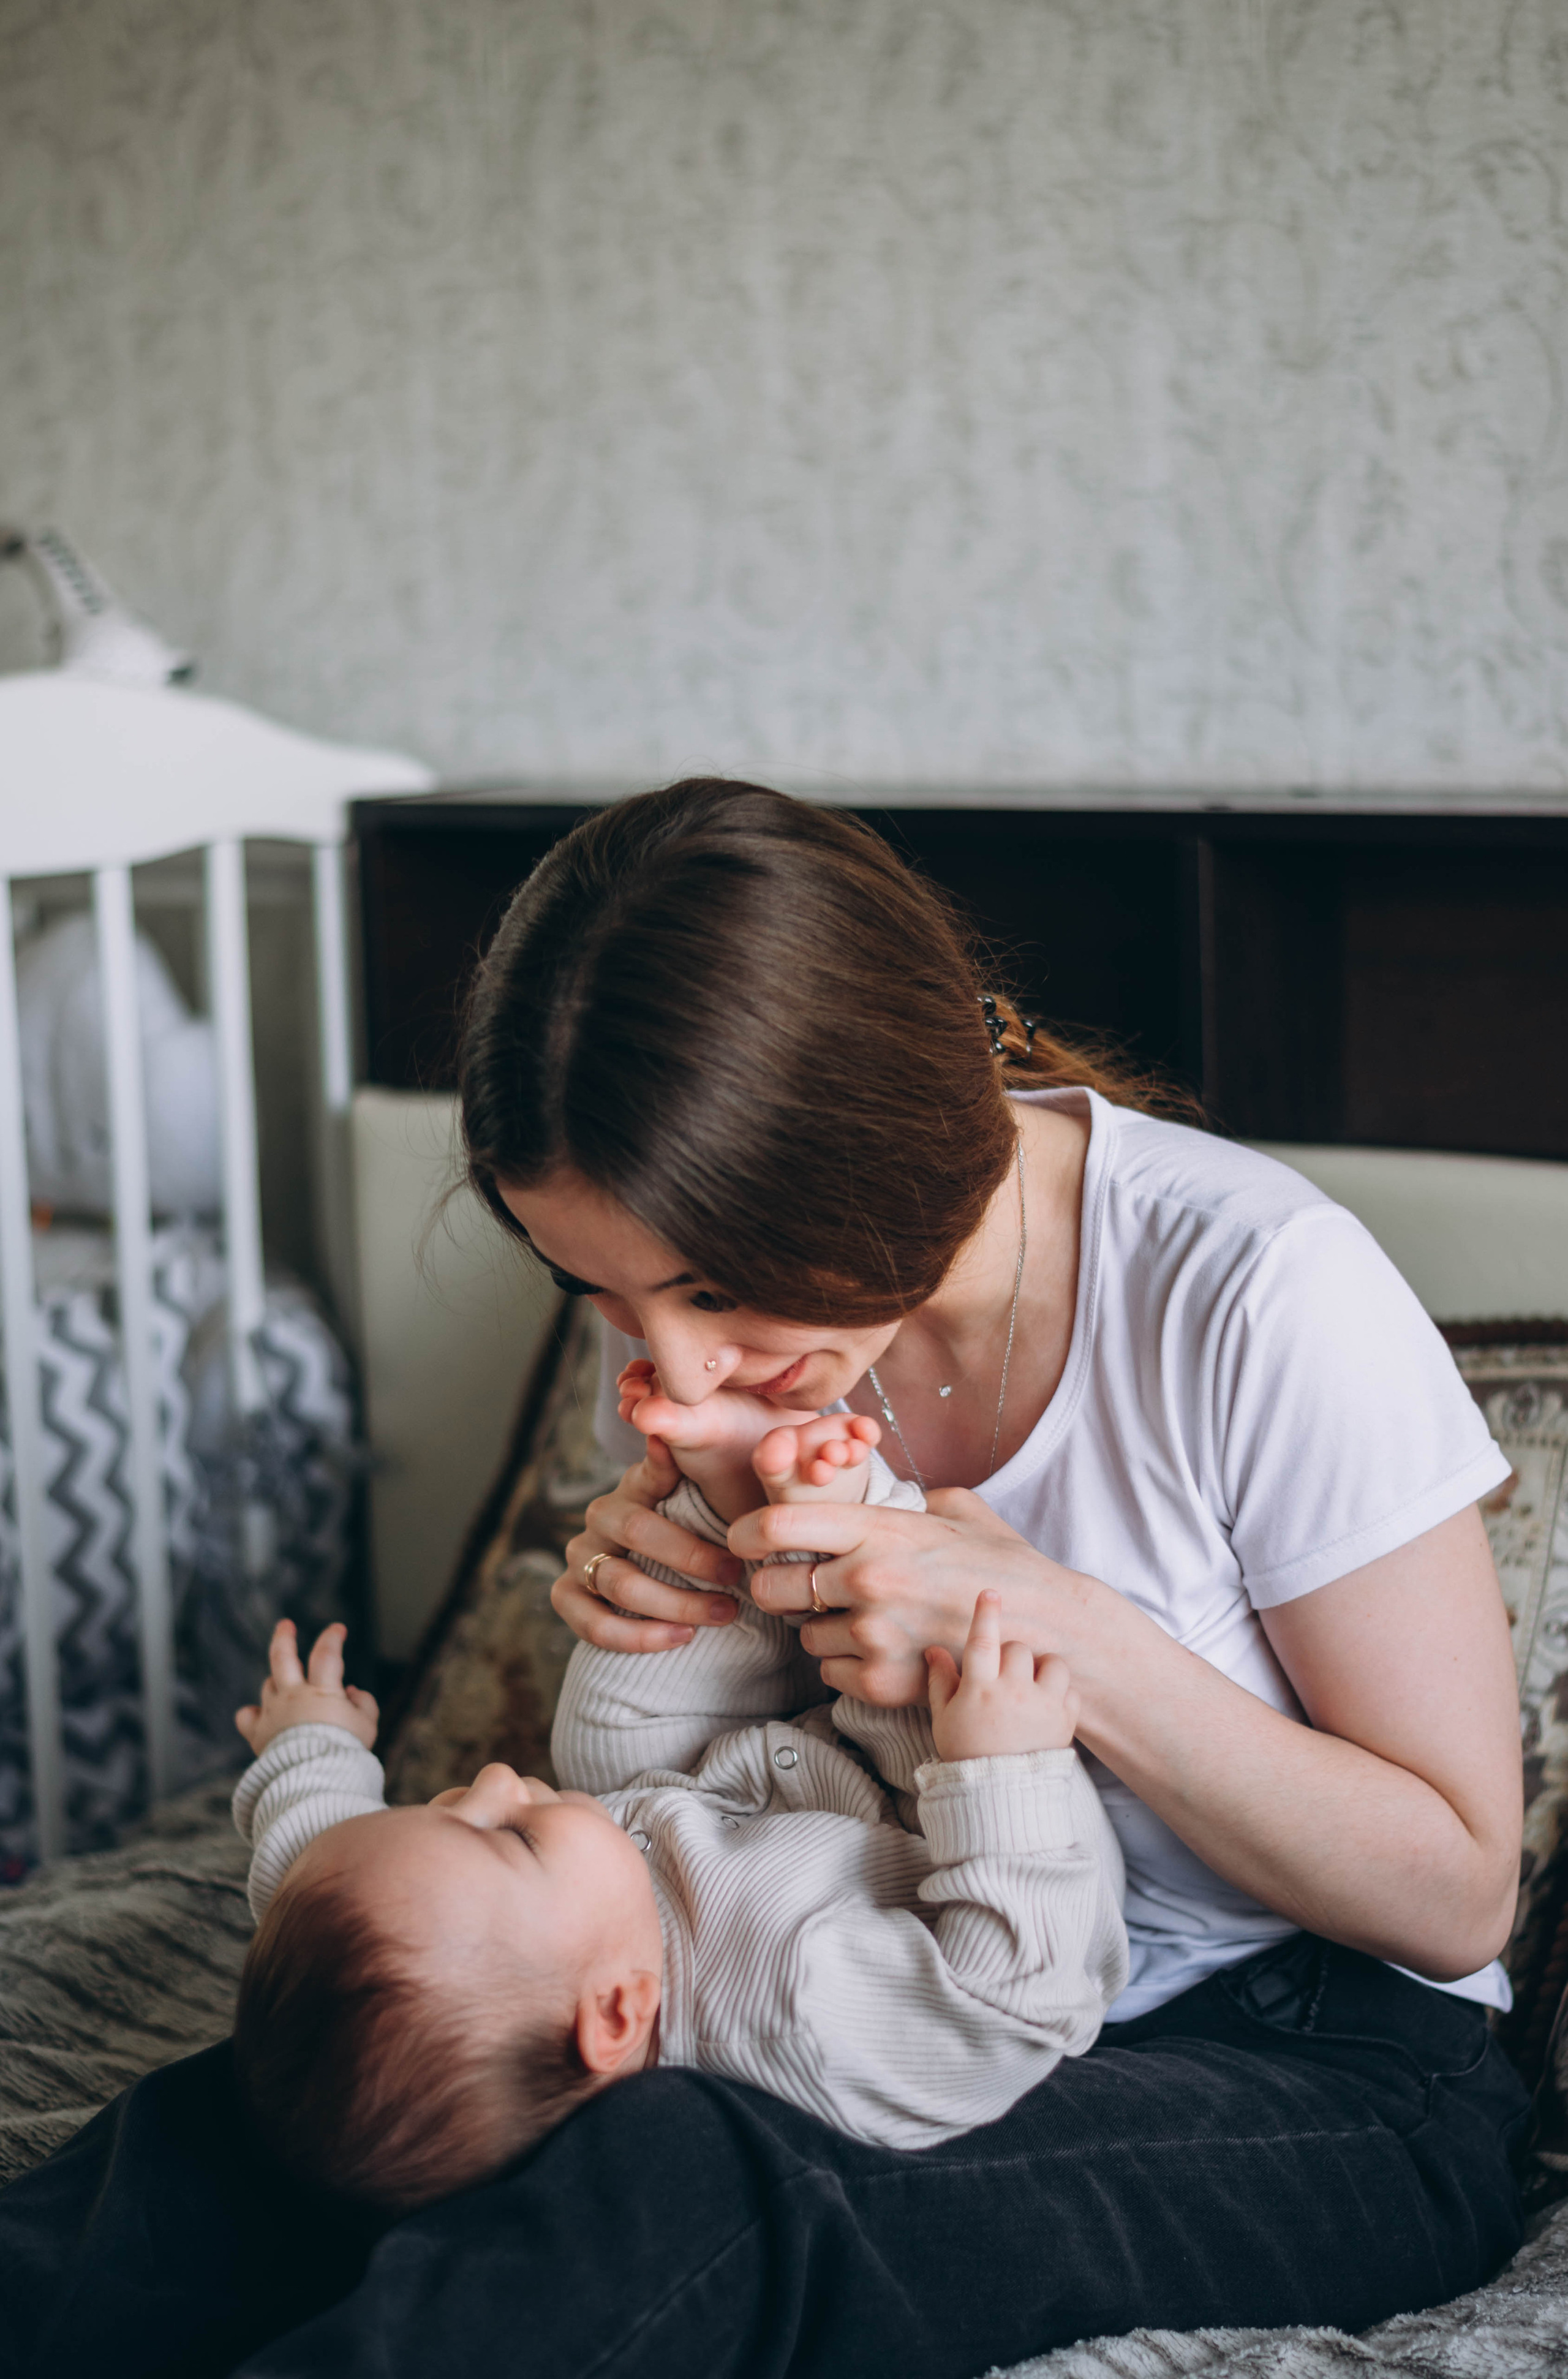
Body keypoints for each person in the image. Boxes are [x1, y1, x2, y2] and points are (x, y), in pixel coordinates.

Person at [1, 779, 1531, 2379]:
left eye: (712, 1287)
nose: (661, 1367)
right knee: (313, 2092)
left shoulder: (1258, 1296)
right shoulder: (711, 1350)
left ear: (877, 1151)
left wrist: (1058, 1634)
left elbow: (1457, 1890)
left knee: (675, 2184)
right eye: (597, 1292)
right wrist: (690, 1609)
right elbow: (738, 1790)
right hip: (870, 1972)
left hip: (1322, 2058)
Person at [228, 1476, 1125, 2206]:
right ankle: (854, 1527)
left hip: (736, 1797)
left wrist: (310, 1743)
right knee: (925, 1694)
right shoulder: (805, 2014)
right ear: (618, 2014)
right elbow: (1011, 2004)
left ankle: (724, 1510)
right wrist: (1005, 1770)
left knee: (601, 1742)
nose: (492, 1783)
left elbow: (310, 1855)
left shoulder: (422, 1937)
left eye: (439, 1810)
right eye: (512, 1840)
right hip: (956, 1846)